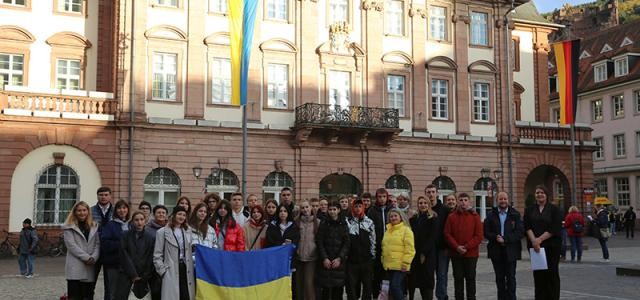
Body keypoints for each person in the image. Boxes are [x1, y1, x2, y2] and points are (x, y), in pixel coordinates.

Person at [524, 185, 562, 300]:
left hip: (551, 247)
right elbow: (527, 226)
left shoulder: (554, 209)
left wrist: (539, 239)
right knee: (539, 276)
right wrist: (534, 241)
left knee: (552, 274)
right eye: (537, 193)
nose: (539, 194)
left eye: (542, 192)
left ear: (546, 195)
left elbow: (555, 227)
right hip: (536, 248)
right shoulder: (529, 209)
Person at [484, 192, 523, 300]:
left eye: (505, 199)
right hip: (496, 250)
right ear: (497, 200)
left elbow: (519, 232)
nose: (503, 201)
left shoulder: (515, 214)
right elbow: (486, 232)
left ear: (508, 200)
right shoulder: (491, 214)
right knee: (499, 278)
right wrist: (495, 237)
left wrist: (505, 239)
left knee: (511, 278)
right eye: (501, 199)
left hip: (511, 251)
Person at [444, 193, 483, 300]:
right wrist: (457, 247)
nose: (463, 202)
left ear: (469, 202)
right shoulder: (451, 217)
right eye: (461, 200)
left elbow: (479, 236)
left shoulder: (475, 216)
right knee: (458, 279)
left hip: (471, 254)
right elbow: (447, 234)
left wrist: (466, 247)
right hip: (456, 254)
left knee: (470, 279)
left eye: (465, 200)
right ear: (457, 202)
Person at [153, 206, 194, 300]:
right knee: (172, 296)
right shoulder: (162, 232)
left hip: (185, 268)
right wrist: (163, 271)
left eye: (184, 215)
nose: (182, 217)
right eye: (179, 214)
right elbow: (157, 255)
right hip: (170, 269)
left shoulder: (188, 231)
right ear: (174, 215)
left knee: (186, 295)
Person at [63, 201, 100, 300]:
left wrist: (94, 257)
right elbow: (71, 245)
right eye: (79, 210)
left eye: (84, 210)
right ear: (75, 212)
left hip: (90, 265)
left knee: (88, 295)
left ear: (88, 211)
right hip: (75, 265)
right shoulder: (68, 226)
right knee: (75, 296)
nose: (82, 213)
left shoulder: (94, 225)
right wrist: (87, 257)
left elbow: (97, 244)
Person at [316, 201, 350, 300]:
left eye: (334, 209)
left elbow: (346, 243)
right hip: (326, 262)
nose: (332, 212)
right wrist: (324, 258)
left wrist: (340, 258)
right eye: (330, 209)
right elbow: (319, 241)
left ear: (338, 210)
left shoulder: (343, 224)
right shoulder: (324, 223)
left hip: (338, 262)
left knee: (337, 291)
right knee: (326, 292)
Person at [266, 203, 301, 298]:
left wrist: (291, 245)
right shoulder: (272, 226)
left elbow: (297, 242)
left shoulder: (294, 226)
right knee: (277, 284)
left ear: (288, 213)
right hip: (275, 260)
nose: (282, 213)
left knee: (290, 284)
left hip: (290, 261)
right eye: (280, 211)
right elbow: (269, 243)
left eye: (285, 211)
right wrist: (281, 245)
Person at [381, 208, 415, 300]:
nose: (393, 218)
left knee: (395, 286)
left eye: (395, 216)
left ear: (400, 217)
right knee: (391, 290)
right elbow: (385, 247)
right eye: (391, 216)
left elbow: (410, 249)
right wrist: (383, 260)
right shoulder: (387, 231)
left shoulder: (406, 230)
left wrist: (406, 263)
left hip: (400, 265)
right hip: (388, 265)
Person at [120, 212, 156, 300]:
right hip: (128, 274)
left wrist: (145, 275)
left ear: (145, 221)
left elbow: (151, 256)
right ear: (132, 221)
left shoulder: (151, 237)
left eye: (141, 220)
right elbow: (124, 254)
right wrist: (133, 274)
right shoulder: (125, 235)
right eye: (136, 220)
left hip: (144, 276)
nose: (139, 222)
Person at [408, 196, 438, 300]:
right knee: (415, 280)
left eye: (425, 203)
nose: (423, 205)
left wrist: (424, 253)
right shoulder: (414, 219)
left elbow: (432, 237)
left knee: (427, 281)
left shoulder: (433, 218)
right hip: (415, 254)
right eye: (420, 203)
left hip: (428, 254)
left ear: (429, 205)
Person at [101, 200, 131, 300]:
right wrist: (121, 245)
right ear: (116, 210)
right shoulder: (111, 225)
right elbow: (105, 243)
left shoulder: (131, 224)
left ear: (128, 209)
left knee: (125, 292)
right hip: (114, 264)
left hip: (128, 265)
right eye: (119, 208)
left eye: (124, 208)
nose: (122, 210)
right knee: (112, 292)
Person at [346, 199, 376, 300]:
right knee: (351, 287)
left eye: (360, 206)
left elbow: (373, 240)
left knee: (367, 286)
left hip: (366, 260)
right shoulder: (348, 221)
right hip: (351, 260)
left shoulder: (369, 222)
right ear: (352, 208)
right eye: (356, 206)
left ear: (363, 208)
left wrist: (373, 255)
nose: (358, 209)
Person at [427, 185, 452, 300]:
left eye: (433, 192)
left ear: (437, 193)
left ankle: (441, 296)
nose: (431, 194)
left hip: (442, 248)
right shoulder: (424, 208)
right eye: (428, 192)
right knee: (429, 274)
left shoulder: (445, 209)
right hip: (429, 248)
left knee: (441, 274)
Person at [369, 188, 393, 298]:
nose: (382, 199)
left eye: (384, 197)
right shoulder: (372, 211)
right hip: (377, 246)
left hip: (390, 247)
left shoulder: (392, 209)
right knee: (376, 273)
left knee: (388, 273)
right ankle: (376, 295)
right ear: (376, 198)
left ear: (387, 197)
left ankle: (387, 295)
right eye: (379, 197)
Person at [90, 187, 113, 299]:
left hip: (110, 250)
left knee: (109, 282)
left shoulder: (116, 210)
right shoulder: (90, 211)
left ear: (110, 196)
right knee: (91, 279)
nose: (103, 197)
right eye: (101, 195)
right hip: (95, 249)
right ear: (97, 196)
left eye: (106, 194)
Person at [295, 200, 320, 300]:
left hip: (311, 257)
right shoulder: (297, 222)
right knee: (299, 284)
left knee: (308, 283)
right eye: (303, 208)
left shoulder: (317, 222)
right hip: (299, 257)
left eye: (307, 207)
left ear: (311, 208)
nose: (305, 210)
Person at [145, 204, 168, 300]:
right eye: (159, 212)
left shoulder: (170, 228)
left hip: (167, 264)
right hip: (152, 266)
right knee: (155, 292)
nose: (161, 214)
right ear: (154, 215)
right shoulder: (147, 229)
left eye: (163, 213)